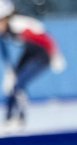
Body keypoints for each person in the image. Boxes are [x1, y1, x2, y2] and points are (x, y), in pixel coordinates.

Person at [0, 0, 66, 132]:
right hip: (30, 53)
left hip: (41, 55)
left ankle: (19, 119)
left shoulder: (18, 24)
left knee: (19, 85)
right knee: (13, 85)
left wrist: (55, 54)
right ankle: (8, 119)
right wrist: (11, 71)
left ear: (5, 18)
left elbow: (44, 36)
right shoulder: (6, 30)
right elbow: (6, 53)